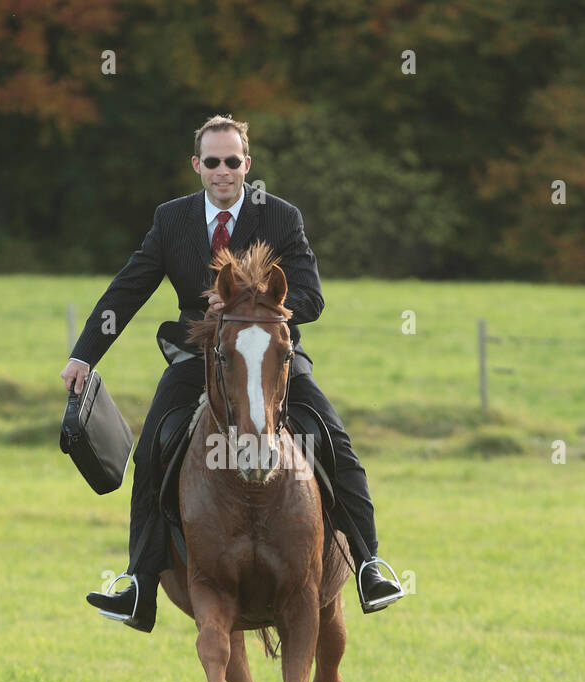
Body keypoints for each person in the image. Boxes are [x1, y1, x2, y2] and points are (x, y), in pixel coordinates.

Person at [61, 114, 403, 633]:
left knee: (333, 438)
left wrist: (252, 306)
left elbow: (311, 297)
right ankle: (137, 584)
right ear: (197, 165)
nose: (224, 171)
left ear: (248, 164)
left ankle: (370, 564)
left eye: (233, 161)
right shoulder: (171, 219)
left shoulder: (281, 217)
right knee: (154, 446)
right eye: (213, 162)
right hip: (197, 361)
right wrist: (85, 355)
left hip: (269, 358)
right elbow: (128, 289)